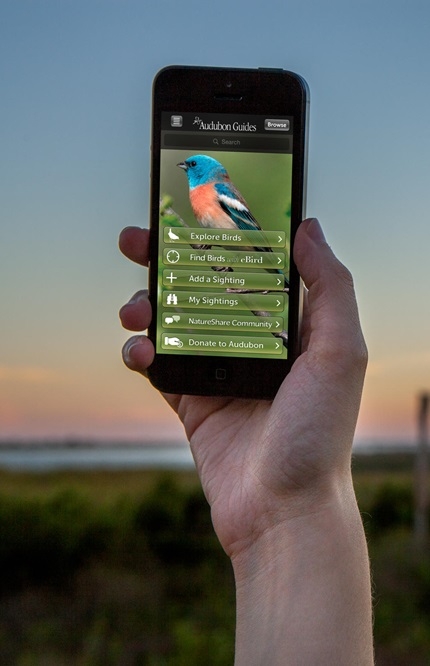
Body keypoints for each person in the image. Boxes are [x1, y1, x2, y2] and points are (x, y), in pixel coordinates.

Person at [119, 218, 374, 665]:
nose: (190, 168)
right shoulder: (199, 194)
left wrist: (298, 509)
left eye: (194, 165)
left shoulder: (216, 189)